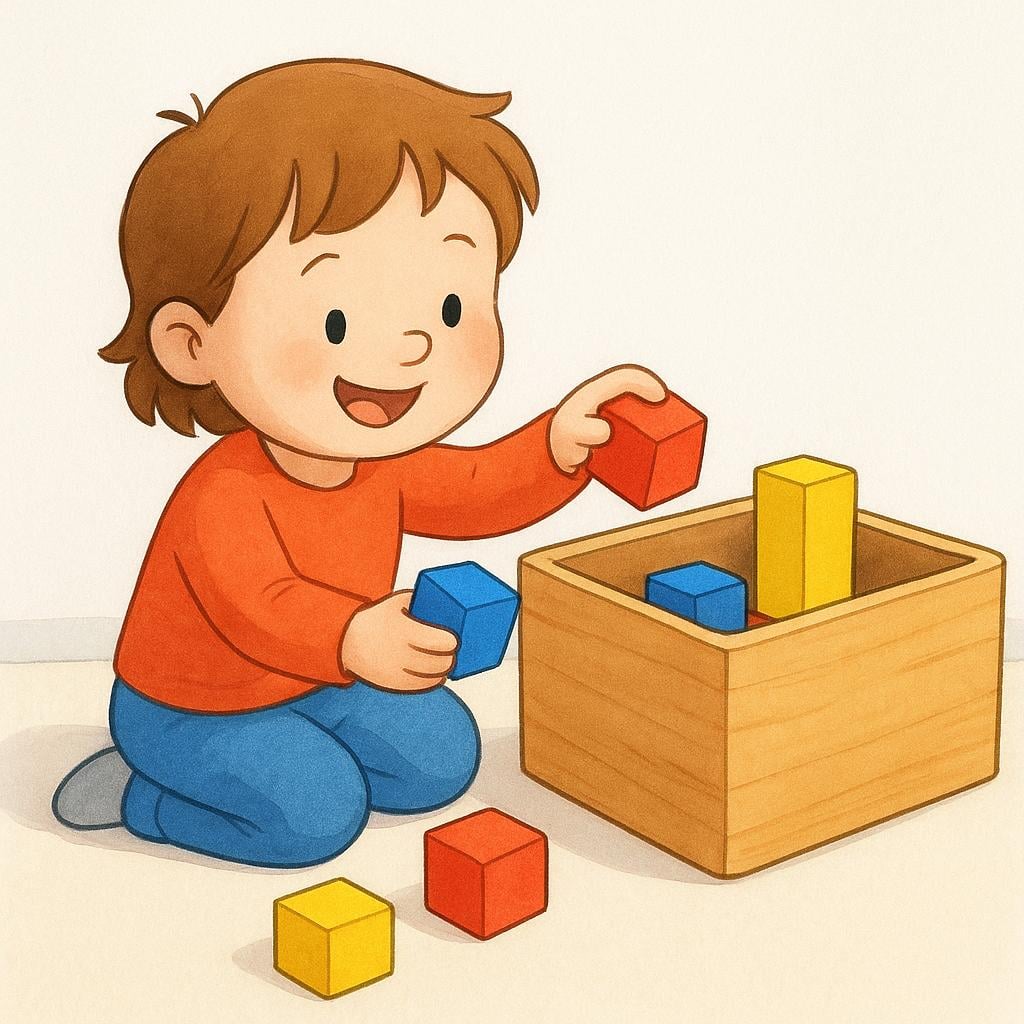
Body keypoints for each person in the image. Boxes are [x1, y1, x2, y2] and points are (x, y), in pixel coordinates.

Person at [53, 59, 666, 867]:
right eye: (338, 318)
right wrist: (349, 636)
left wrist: (560, 444)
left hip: (321, 680)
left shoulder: (383, 464)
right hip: (194, 707)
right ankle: (147, 795)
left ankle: (279, 753)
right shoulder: (226, 493)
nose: (411, 346)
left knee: (443, 756)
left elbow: (476, 486)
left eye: (449, 308)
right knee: (317, 817)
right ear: (193, 343)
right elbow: (258, 604)